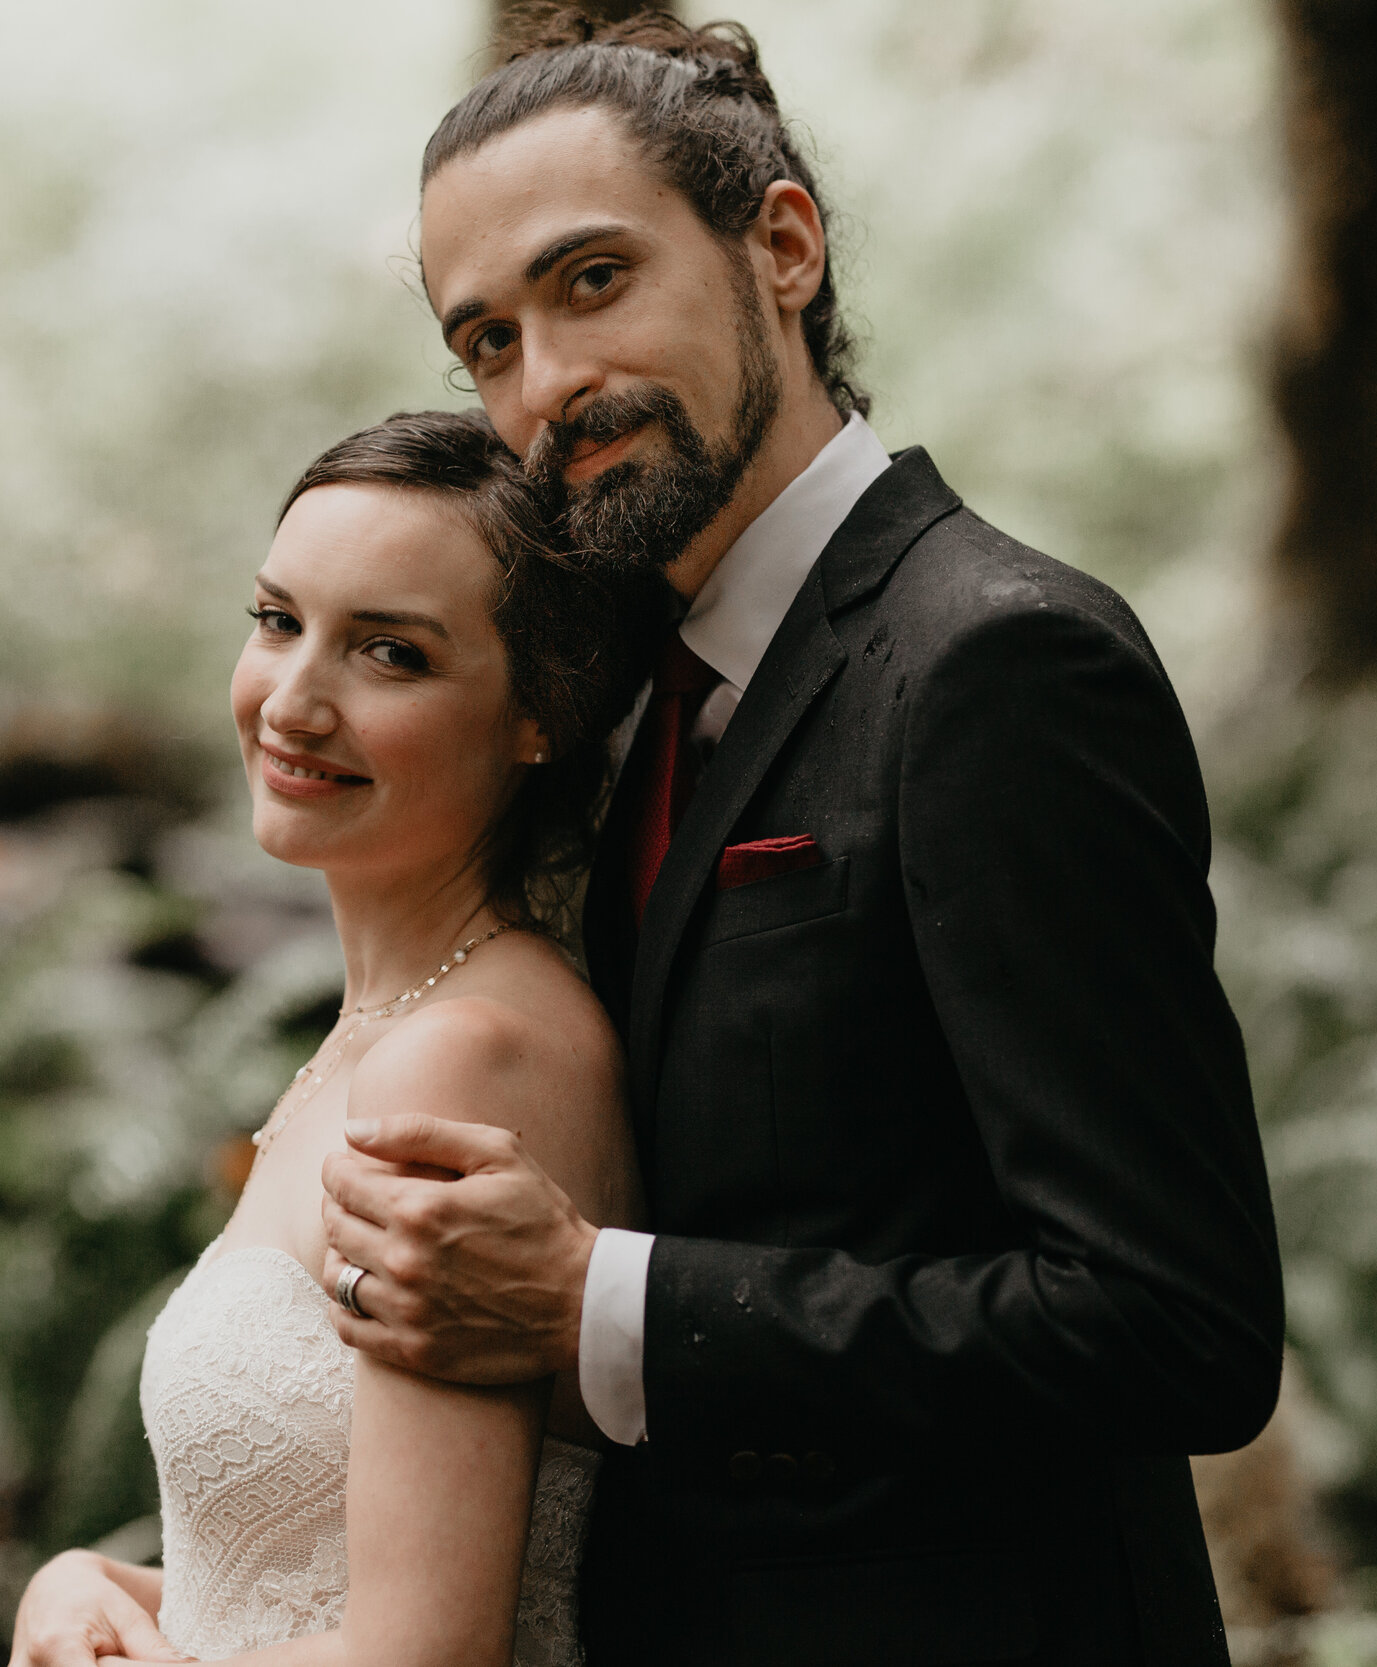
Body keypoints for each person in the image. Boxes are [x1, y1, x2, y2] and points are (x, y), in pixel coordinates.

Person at [311, 12, 1288, 1666]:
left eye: (593, 282)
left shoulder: (996, 661)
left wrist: (599, 1304)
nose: (545, 386)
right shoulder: (625, 705)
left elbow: (1173, 1327)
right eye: (486, 341)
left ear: (780, 244)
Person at [8, 410, 649, 1667]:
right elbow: (307, 1572)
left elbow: (425, 1650)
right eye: (277, 620)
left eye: (390, 654)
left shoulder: (465, 1059)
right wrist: (86, 1583)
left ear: (540, 711)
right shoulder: (386, 1028)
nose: (294, 700)